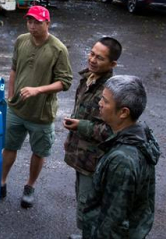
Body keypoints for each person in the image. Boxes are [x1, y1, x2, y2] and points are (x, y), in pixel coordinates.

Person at [1, 5, 73, 209]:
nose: (32, 26)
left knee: (39, 152)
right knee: (9, 146)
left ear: (47, 23)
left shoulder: (58, 48)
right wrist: (11, 94)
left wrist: (38, 90)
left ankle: (30, 186)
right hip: (16, 109)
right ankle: (2, 181)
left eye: (38, 22)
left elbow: (65, 82)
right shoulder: (21, 40)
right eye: (29, 21)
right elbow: (14, 68)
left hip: (41, 114)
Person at [81, 75, 160, 239]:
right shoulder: (139, 136)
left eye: (105, 101)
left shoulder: (122, 160)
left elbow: (113, 222)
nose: (100, 103)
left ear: (124, 112)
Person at [63, 37, 122, 238]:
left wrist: (82, 126)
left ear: (112, 64)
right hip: (81, 156)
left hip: (95, 163)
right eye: (92, 53)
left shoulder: (112, 92)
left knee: (90, 208)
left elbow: (113, 131)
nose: (93, 59)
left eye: (100, 58)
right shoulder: (89, 79)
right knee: (83, 202)